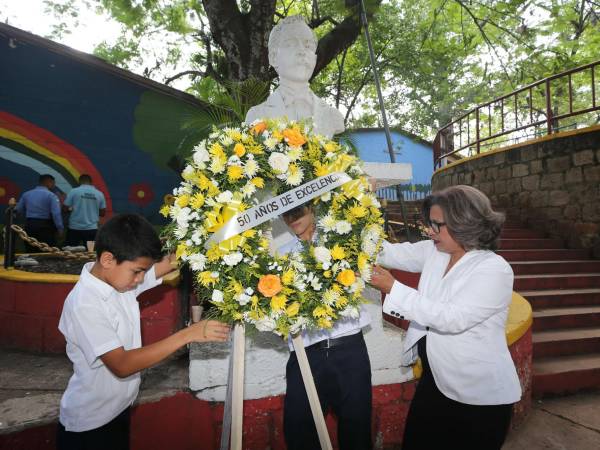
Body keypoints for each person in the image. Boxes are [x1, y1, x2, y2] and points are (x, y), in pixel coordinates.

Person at [56, 213, 230, 450]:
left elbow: (170, 262)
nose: (140, 280)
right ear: (107, 259)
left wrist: (215, 228)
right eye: (137, 272)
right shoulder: (85, 304)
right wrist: (188, 334)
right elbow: (122, 364)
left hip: (117, 409)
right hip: (90, 424)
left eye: (142, 272)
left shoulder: (118, 279)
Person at [369, 185, 522, 450]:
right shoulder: (434, 252)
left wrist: (393, 288)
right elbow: (386, 253)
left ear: (465, 224)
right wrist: (360, 207)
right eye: (429, 224)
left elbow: (452, 318)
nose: (429, 231)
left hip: (479, 397)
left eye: (437, 225)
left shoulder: (493, 269)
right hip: (436, 382)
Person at [278, 204, 372, 450]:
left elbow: (363, 223)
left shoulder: (340, 238)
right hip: (304, 352)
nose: (292, 218)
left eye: (297, 210)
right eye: (286, 214)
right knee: (298, 429)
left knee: (357, 429)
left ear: (312, 207)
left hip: (349, 349)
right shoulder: (281, 255)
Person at [16, 173, 64, 251]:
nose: (54, 185)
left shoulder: (26, 194)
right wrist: (60, 228)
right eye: (53, 183)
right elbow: (56, 214)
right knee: (47, 251)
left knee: (31, 250)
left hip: (30, 225)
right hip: (45, 228)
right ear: (48, 182)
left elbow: (17, 210)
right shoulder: (51, 196)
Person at [63, 174, 106, 246]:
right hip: (91, 229)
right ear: (91, 182)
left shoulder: (74, 191)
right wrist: (93, 210)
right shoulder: (99, 194)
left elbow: (64, 209)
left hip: (74, 228)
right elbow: (102, 213)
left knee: (71, 251)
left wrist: (72, 209)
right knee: (90, 252)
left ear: (79, 182)